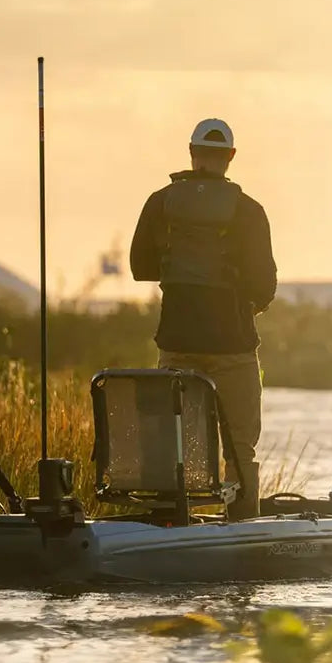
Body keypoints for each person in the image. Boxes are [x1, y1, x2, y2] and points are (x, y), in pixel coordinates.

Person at [129, 118, 277, 520]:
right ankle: (242, 524)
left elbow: (139, 266)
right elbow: (266, 286)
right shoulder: (249, 211)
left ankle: (170, 522)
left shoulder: (161, 202)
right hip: (235, 346)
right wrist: (240, 306)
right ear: (230, 157)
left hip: (176, 341)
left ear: (192, 153)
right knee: (240, 446)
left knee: (172, 442)